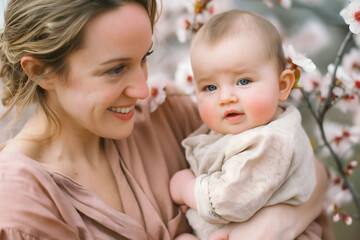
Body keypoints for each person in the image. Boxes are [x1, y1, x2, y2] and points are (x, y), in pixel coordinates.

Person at [0, 0, 330, 239]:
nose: (144, 89)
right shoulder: (21, 204)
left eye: (144, 58)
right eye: (116, 69)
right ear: (41, 71)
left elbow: (306, 168)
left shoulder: (166, 113)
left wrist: (268, 229)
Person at [170, 9, 324, 240]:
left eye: (243, 81)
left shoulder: (269, 142)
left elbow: (227, 202)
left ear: (282, 86)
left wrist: (187, 188)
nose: (226, 97)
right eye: (210, 87)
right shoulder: (244, 127)